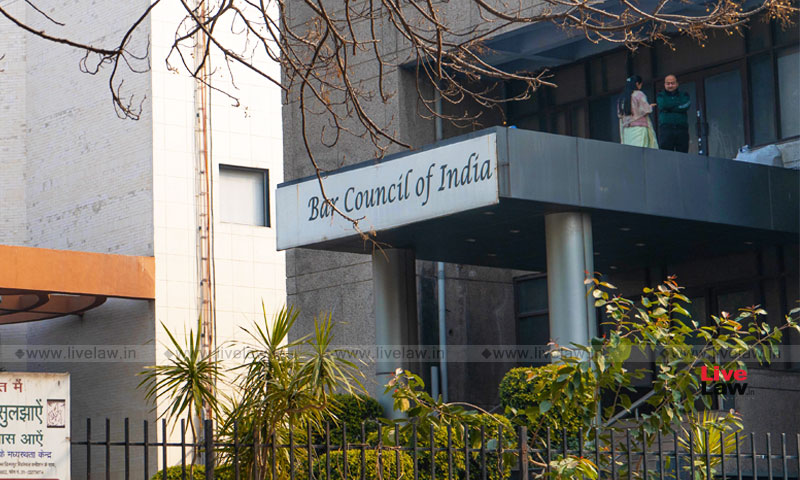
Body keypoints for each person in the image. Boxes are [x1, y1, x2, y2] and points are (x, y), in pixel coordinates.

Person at [618, 75, 658, 149]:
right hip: (639, 128)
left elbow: (620, 115)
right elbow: (646, 110)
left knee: (630, 151)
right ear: (637, 84)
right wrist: (651, 106)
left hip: (626, 130)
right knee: (640, 150)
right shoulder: (638, 94)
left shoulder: (622, 98)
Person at [656, 74, 691, 153]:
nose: (670, 85)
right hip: (666, 128)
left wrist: (668, 108)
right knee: (666, 154)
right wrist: (677, 105)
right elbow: (663, 105)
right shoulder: (660, 95)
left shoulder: (684, 95)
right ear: (664, 85)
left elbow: (686, 105)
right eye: (668, 83)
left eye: (672, 83)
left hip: (681, 128)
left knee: (683, 154)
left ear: (677, 84)